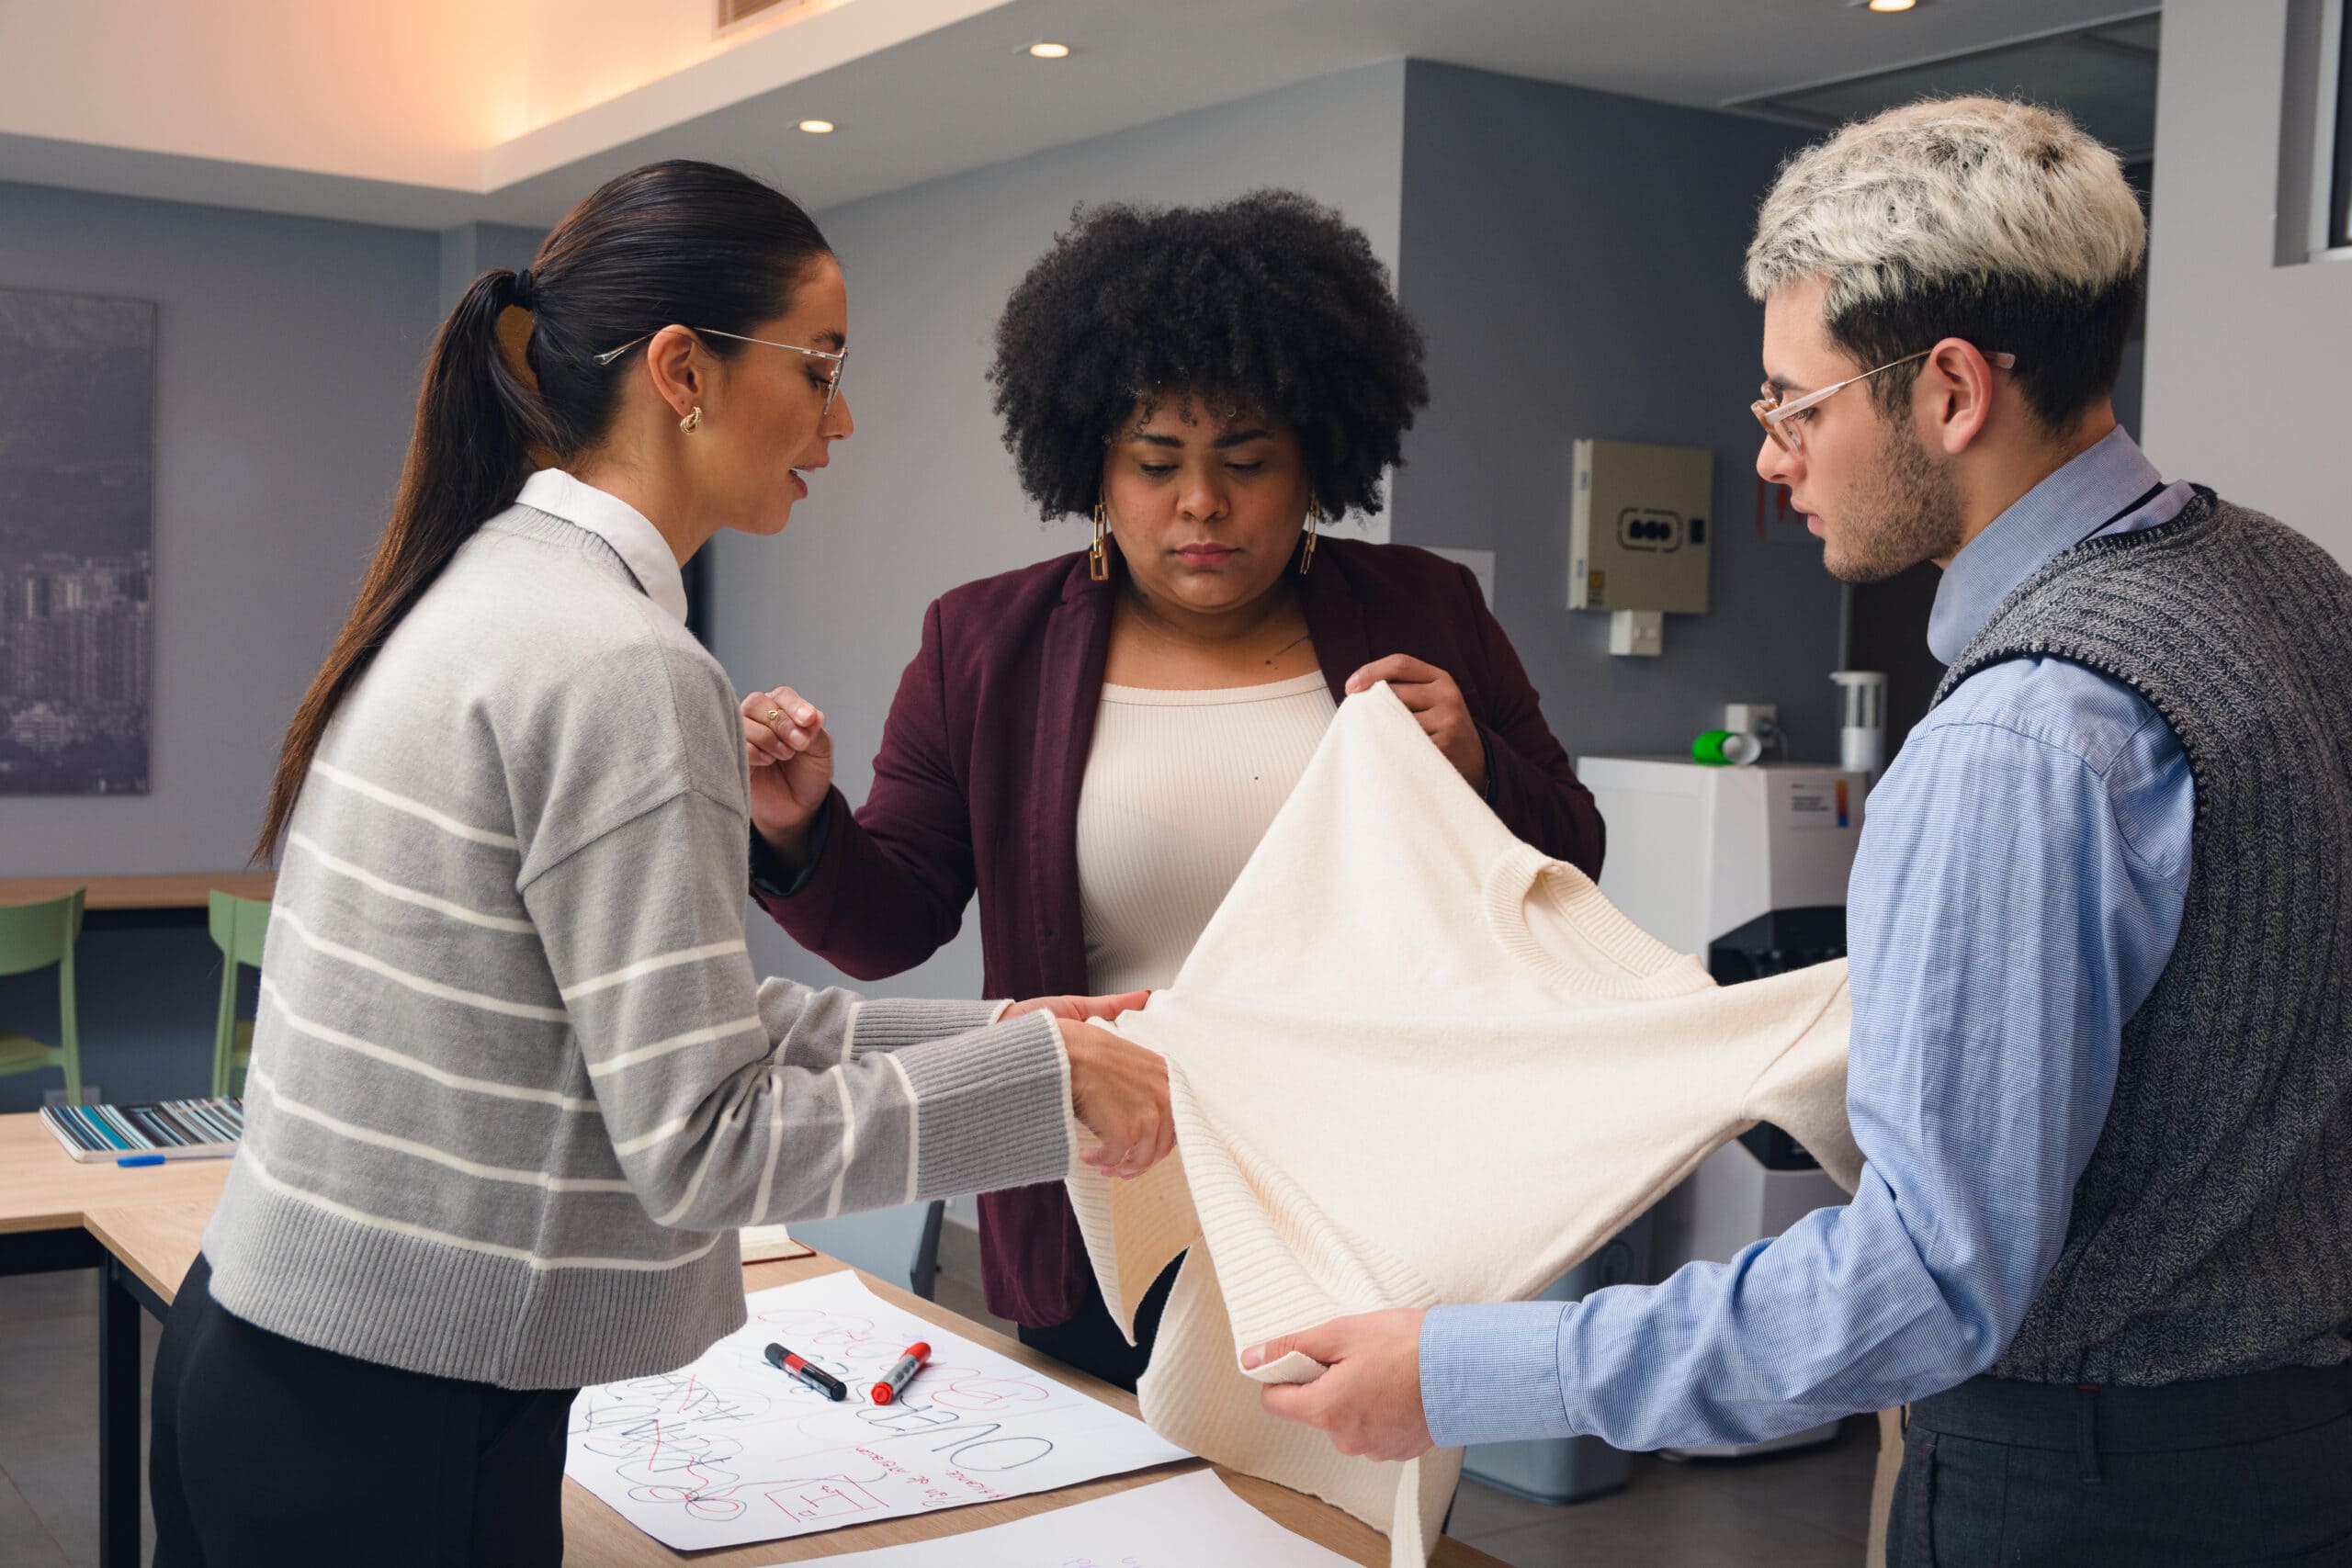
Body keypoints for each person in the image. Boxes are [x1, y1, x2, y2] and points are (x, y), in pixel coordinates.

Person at [1241, 98, 2352, 1564]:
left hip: (2096, 1489)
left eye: (1794, 404)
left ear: (1951, 390)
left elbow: (1929, 1279)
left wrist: (1471, 1369)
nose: (1769, 457)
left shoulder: (2020, 736)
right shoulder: (2295, 586)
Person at [148, 160, 1173, 1568]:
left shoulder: (488, 579)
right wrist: (1048, 1096)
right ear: (682, 369)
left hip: (273, 1360)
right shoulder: (625, 665)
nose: (843, 418)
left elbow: (671, 1028)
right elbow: (708, 1138)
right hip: (398, 1421)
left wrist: (1003, 1029)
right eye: (821, 369)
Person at [738, 190, 1605, 1389]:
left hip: (1364, 1196)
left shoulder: (1424, 610)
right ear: (1091, 463)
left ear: (1317, 466)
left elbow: (1571, 866)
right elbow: (892, 924)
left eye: (1247, 463)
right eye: (1158, 464)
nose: (1202, 502)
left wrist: (1479, 768)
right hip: (1104, 1188)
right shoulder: (987, 643)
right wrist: (794, 828)